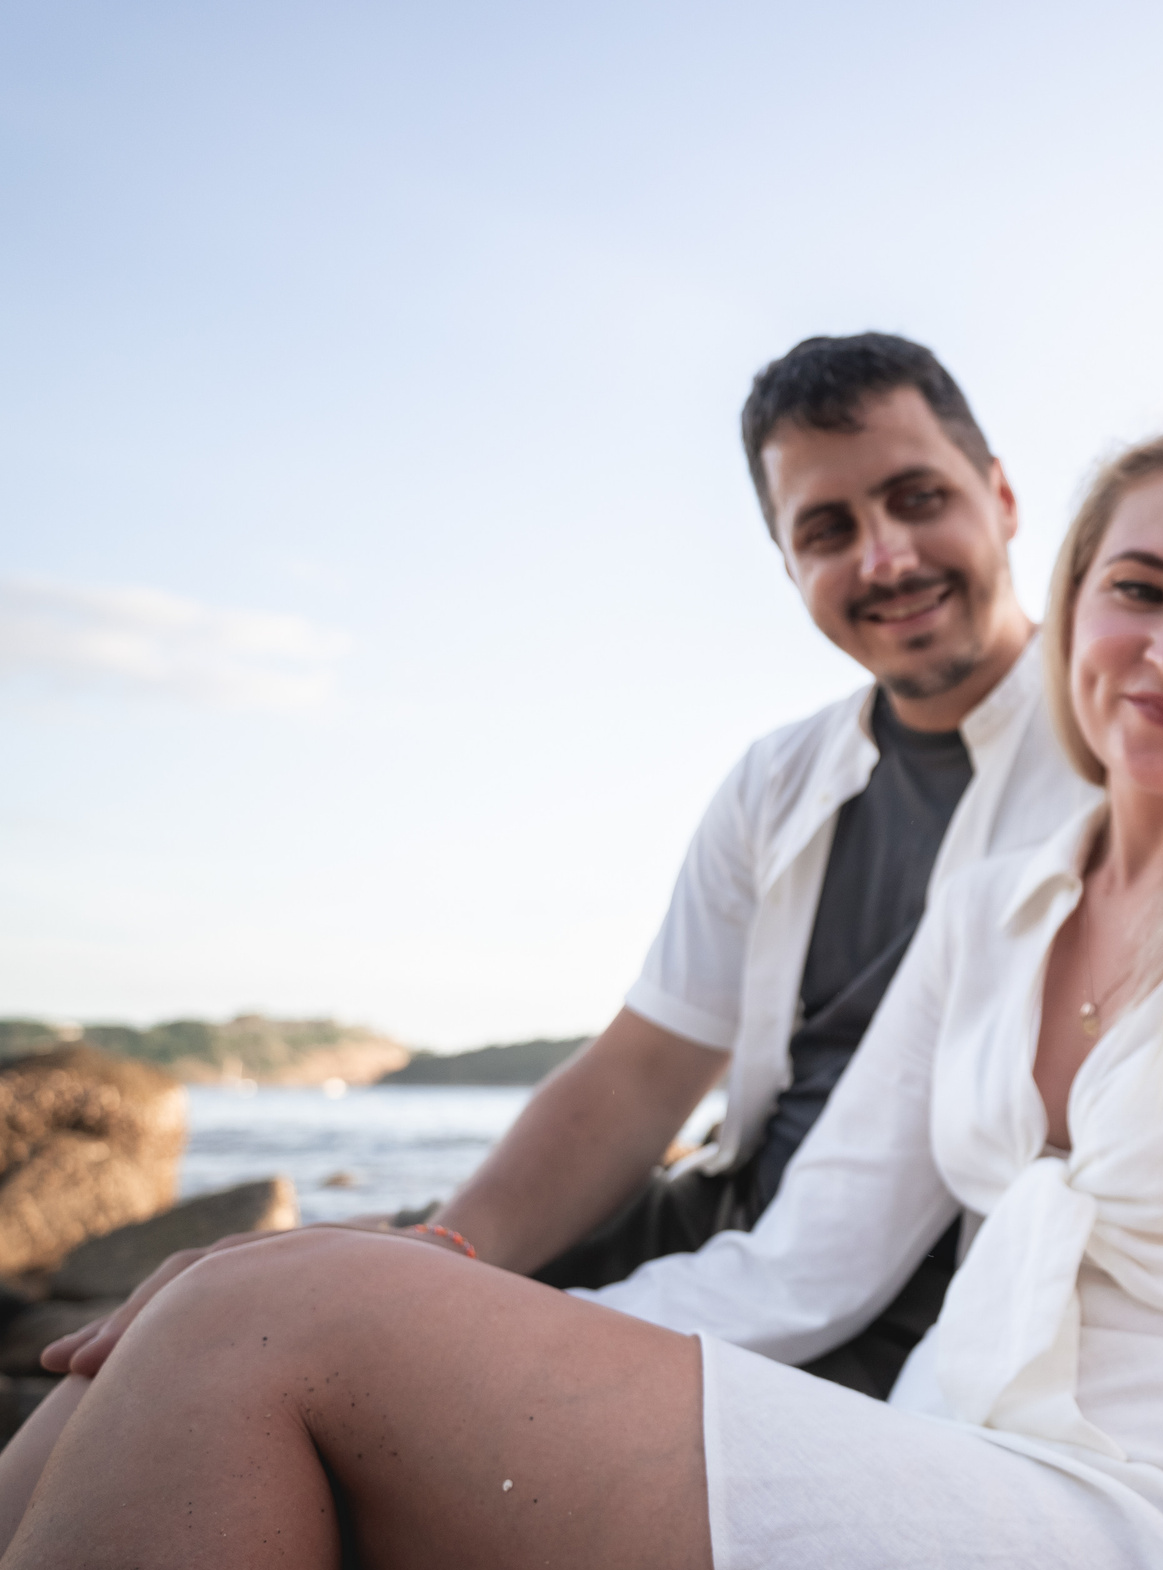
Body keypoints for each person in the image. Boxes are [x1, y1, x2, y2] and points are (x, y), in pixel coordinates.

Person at [0, 411, 1163, 1570]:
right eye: (1140, 590)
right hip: (929, 1466)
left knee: (265, 1307)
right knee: (186, 1322)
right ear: (1078, 602)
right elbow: (803, 1261)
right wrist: (440, 1287)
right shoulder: (997, 898)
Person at [37, 332, 1103, 1405]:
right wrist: (451, 1244)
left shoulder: (1123, 755)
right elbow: (641, 1070)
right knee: (206, 1327)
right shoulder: (776, 781)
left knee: (317, 1384)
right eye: (826, 530)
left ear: (1002, 496)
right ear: (787, 564)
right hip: (718, 1218)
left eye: (918, 499)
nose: (885, 558)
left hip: (917, 1285)